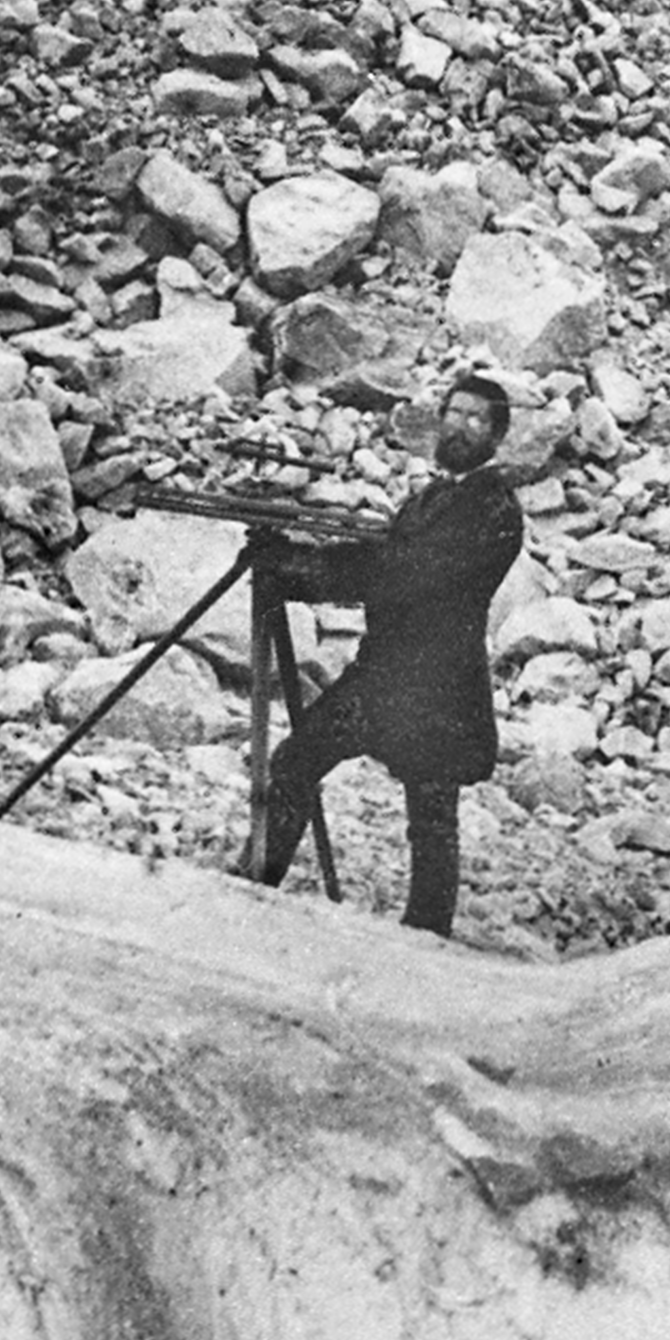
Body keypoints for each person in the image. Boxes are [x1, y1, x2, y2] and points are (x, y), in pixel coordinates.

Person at [248, 374, 525, 934]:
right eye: (455, 412)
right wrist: (295, 557)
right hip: (384, 675)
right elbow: (385, 554)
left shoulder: (493, 509)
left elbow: (405, 574)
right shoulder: (432, 497)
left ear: (497, 437)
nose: (461, 426)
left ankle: (426, 935)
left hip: (439, 690)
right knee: (297, 763)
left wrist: (305, 571)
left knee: (431, 813)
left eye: (476, 419)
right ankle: (255, 887)